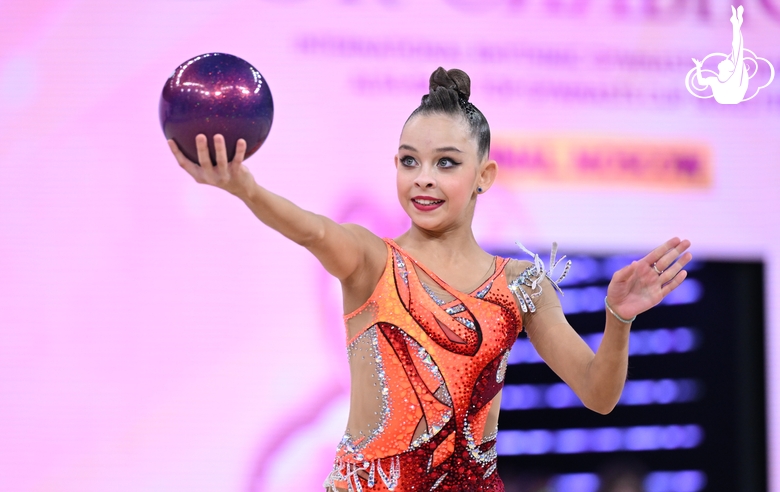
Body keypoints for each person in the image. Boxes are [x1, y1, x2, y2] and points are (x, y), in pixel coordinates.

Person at [168, 67, 692, 492]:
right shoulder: (371, 259)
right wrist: (246, 189)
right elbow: (311, 229)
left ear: (484, 176)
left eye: (446, 163)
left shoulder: (521, 284)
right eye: (409, 161)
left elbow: (599, 395)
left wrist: (618, 319)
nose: (423, 177)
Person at [692, 5, 749, 104]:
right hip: (728, 99)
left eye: (727, 61)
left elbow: (737, 48)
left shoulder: (733, 78)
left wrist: (736, 26)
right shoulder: (716, 80)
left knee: (737, 51)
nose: (725, 59)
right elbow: (701, 82)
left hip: (732, 98)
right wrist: (698, 67)